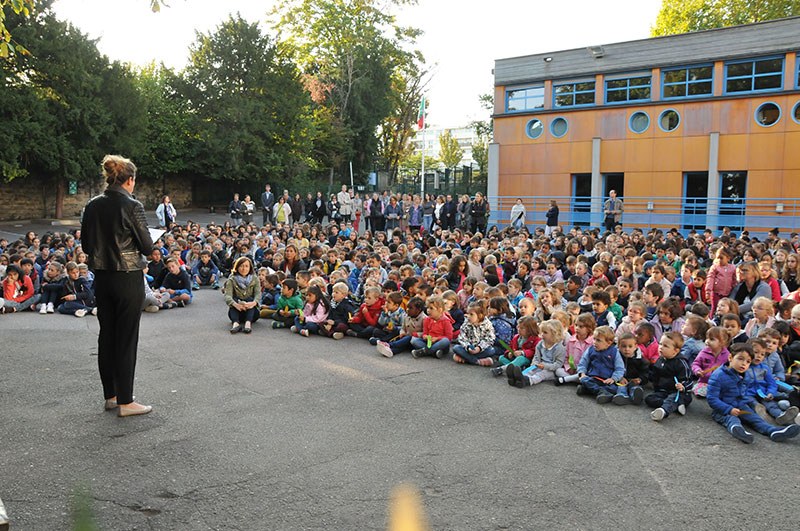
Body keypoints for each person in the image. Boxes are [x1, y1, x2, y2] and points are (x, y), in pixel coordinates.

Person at [81, 154, 154, 417]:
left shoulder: (92, 205)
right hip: (127, 276)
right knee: (126, 339)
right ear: (130, 179)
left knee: (107, 336)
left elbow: (86, 245)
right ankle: (126, 401)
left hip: (102, 277)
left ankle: (110, 396)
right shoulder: (132, 205)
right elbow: (147, 246)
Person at [707, 343, 800, 443]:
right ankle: (738, 431)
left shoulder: (745, 375)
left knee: (755, 418)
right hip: (722, 409)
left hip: (740, 406)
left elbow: (743, 393)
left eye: (748, 362)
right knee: (731, 419)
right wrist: (729, 409)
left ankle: (773, 431)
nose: (744, 364)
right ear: (730, 357)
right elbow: (712, 398)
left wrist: (746, 404)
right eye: (740, 359)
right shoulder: (718, 375)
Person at [645, 332, 694, 421]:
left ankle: (663, 411)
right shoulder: (660, 360)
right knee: (649, 399)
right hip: (664, 392)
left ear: (676, 350)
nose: (661, 347)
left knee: (673, 398)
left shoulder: (680, 362)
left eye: (665, 346)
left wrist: (683, 386)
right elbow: (655, 375)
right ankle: (675, 405)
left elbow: (689, 380)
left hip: (679, 393)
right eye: (660, 344)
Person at [507, 319, 566, 387]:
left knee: (541, 374)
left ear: (555, 334)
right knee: (530, 370)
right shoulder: (540, 344)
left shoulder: (559, 348)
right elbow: (536, 356)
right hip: (539, 365)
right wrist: (535, 363)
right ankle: (517, 378)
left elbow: (558, 364)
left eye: (545, 332)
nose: (542, 334)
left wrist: (545, 366)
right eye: (542, 332)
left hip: (551, 370)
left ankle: (528, 381)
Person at [225, 256, 260, 334]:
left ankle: (248, 324)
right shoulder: (232, 279)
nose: (244, 269)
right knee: (234, 299)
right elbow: (227, 295)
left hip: (252, 311)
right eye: (241, 266)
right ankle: (236, 324)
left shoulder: (255, 279)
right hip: (237, 310)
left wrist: (253, 303)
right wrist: (236, 304)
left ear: (250, 268)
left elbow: (258, 293)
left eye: (246, 266)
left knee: (249, 299)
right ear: (237, 267)